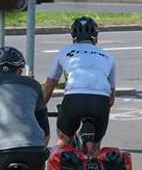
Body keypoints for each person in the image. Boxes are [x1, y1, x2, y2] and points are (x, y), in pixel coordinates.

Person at [42, 16, 116, 157]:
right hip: (100, 102)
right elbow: (111, 99)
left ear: (73, 37)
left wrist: (38, 109)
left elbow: (49, 88)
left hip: (74, 99)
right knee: (95, 148)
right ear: (96, 37)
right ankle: (93, 161)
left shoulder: (64, 52)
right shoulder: (108, 56)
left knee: (63, 141)